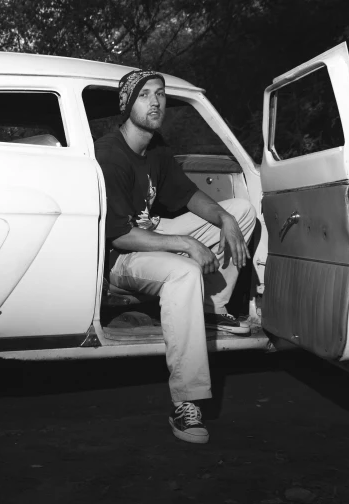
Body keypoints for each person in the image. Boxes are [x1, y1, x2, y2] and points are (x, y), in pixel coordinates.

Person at [95, 69, 256, 444]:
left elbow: (187, 195)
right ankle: (187, 401)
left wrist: (225, 218)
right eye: (144, 95)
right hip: (122, 257)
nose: (155, 101)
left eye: (160, 94)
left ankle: (210, 306)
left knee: (244, 212)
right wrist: (185, 242)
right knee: (184, 270)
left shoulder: (158, 148)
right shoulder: (110, 154)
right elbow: (120, 236)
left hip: (151, 236)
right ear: (127, 105)